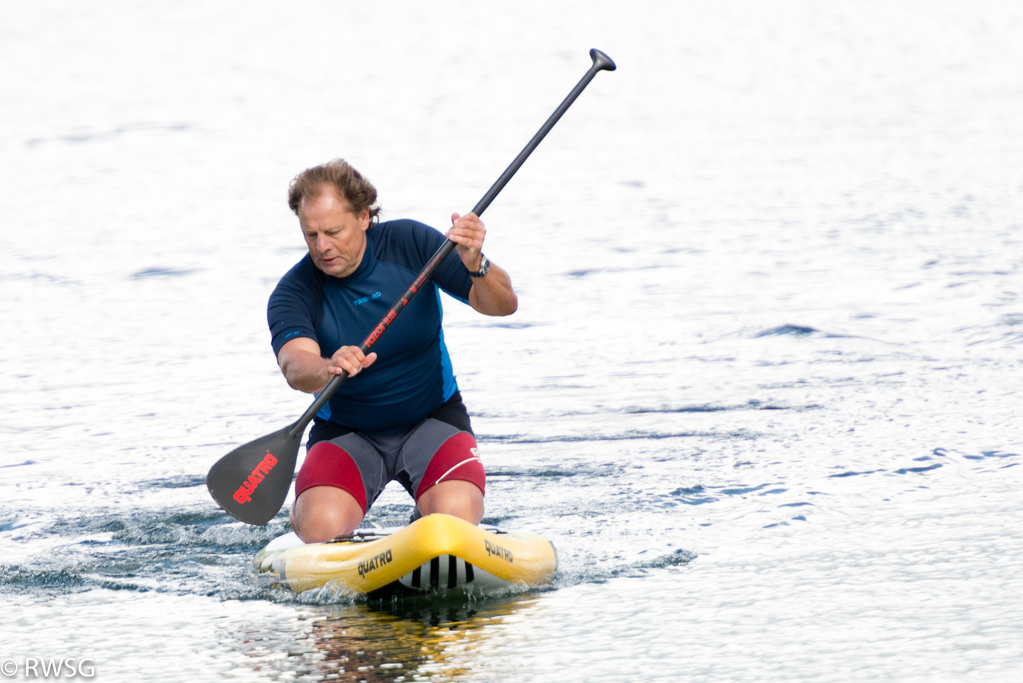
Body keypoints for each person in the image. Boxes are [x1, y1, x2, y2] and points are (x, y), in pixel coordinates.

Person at [267, 159, 518, 543]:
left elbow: (502, 305)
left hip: (431, 419)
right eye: (311, 234)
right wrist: (326, 366)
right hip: (347, 433)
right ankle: (338, 526)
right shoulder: (295, 291)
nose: (322, 246)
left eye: (333, 231)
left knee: (457, 515)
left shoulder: (411, 244)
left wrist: (476, 264)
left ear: (364, 217)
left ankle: (429, 517)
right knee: (319, 527)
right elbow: (294, 364)